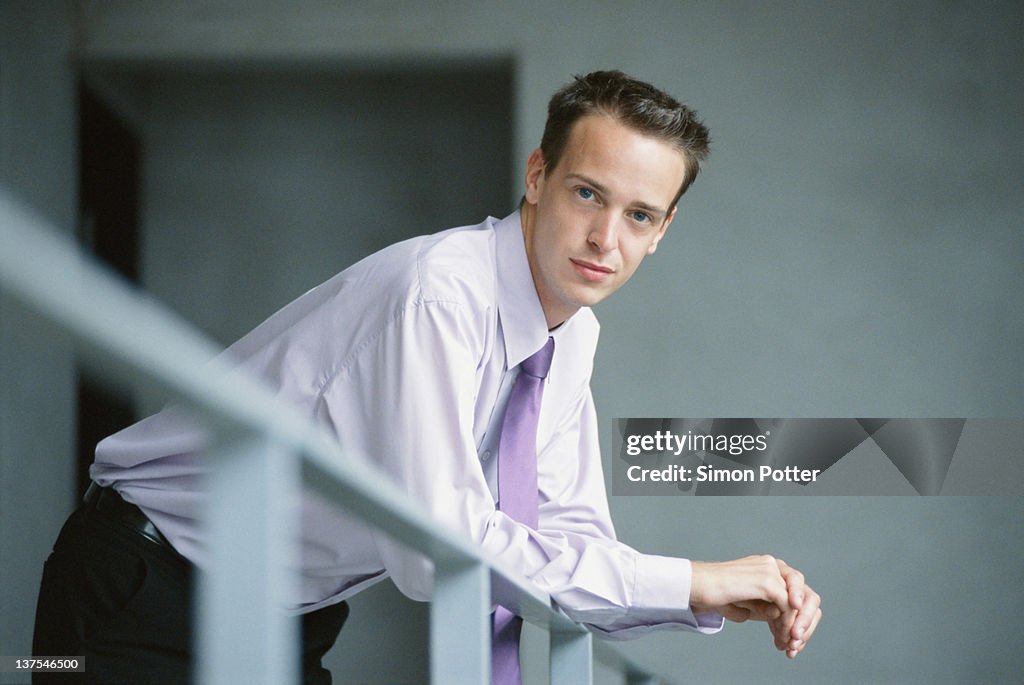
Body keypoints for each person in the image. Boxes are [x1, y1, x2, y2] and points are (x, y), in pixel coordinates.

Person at [33, 70, 821, 683]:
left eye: (640, 215)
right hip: (149, 581)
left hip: (285, 614)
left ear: (664, 229)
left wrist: (713, 590)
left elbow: (568, 541)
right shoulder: (443, 291)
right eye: (588, 192)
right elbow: (435, 547)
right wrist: (690, 580)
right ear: (538, 174)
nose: (606, 238)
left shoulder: (571, 337)